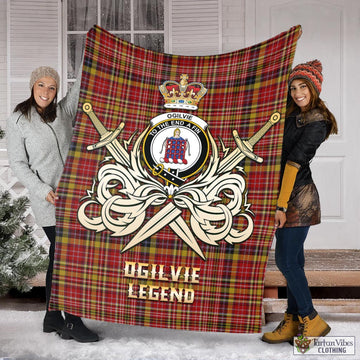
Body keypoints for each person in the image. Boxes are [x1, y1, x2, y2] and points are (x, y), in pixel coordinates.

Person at [6, 65, 99, 343]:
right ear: (33, 86)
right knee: (66, 258)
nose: (46, 92)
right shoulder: (19, 119)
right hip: (47, 200)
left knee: (60, 258)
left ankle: (51, 318)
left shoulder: (64, 112)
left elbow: (82, 86)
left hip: (73, 197)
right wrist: (41, 188)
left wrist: (91, 53)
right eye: (41, 85)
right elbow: (19, 164)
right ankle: (71, 320)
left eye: (52, 87)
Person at [262, 60, 338, 344]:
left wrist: (281, 206)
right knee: (294, 260)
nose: (297, 92)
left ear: (314, 89)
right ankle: (293, 320)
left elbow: (294, 163)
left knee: (285, 260)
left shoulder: (318, 121)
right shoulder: (291, 114)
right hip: (285, 193)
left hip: (299, 199)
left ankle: (311, 318)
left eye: (302, 86)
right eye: (293, 87)